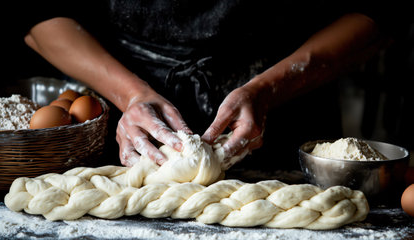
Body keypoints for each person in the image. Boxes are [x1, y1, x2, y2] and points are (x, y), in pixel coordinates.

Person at [23, 1, 395, 171]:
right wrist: (131, 94)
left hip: (287, 109)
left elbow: (378, 14)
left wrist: (269, 88)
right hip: (131, 136)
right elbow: (38, 19)